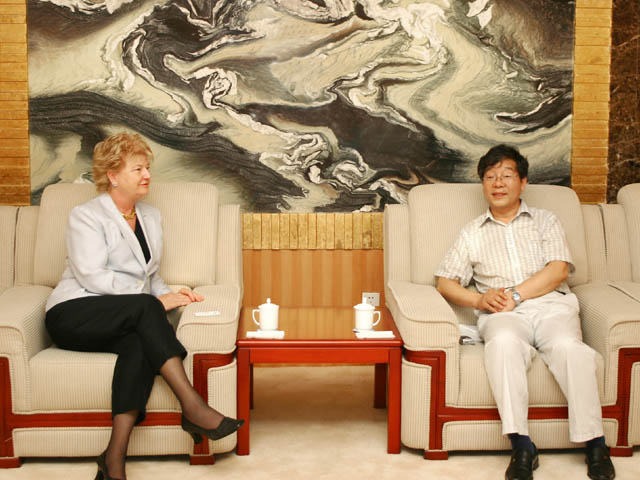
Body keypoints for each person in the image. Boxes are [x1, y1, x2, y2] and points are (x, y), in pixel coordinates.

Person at [44, 133, 243, 480]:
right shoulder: (86, 216)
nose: (147, 175)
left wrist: (177, 296)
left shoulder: (150, 216)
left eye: (147, 167)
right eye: (137, 169)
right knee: (146, 308)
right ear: (113, 175)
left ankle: (113, 460)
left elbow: (150, 278)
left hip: (122, 318)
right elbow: (92, 276)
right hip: (74, 313)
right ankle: (193, 407)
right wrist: (154, 301)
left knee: (138, 344)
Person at [434, 145, 615, 480]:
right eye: (490, 177)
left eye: (506, 176)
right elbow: (444, 281)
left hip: (551, 305)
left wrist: (516, 295)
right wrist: (479, 300)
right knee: (502, 345)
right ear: (483, 184)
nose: (498, 183)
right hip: (502, 313)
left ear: (523, 182)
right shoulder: (472, 232)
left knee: (570, 349)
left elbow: (559, 269)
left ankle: (595, 444)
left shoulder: (546, 220)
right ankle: (521, 445)